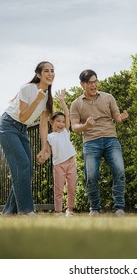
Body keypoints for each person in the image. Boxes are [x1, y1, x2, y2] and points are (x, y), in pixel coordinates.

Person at [0, 61, 54, 216]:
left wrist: (44, 147)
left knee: (27, 171)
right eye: (47, 71)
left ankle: (9, 212)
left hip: (22, 130)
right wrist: (36, 99)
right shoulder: (27, 89)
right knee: (22, 164)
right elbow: (22, 115)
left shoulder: (48, 96)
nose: (51, 74)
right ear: (38, 75)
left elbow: (43, 124)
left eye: (52, 71)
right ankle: (26, 210)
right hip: (8, 126)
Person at [70, 69, 129, 217]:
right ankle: (94, 208)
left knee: (119, 171)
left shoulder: (108, 97)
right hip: (90, 142)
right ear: (82, 84)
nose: (94, 85)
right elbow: (75, 127)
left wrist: (122, 118)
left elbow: (117, 119)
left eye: (95, 81)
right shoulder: (76, 104)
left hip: (111, 139)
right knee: (91, 176)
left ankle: (119, 208)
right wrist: (86, 126)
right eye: (90, 82)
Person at [45, 89, 77, 217]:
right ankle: (58, 211)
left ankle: (70, 210)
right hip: (58, 166)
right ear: (51, 122)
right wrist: (43, 156)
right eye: (58, 121)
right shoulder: (49, 137)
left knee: (71, 189)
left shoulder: (65, 132)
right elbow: (47, 151)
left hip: (71, 164)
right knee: (58, 190)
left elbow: (67, 115)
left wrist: (62, 100)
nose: (61, 123)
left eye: (63, 122)